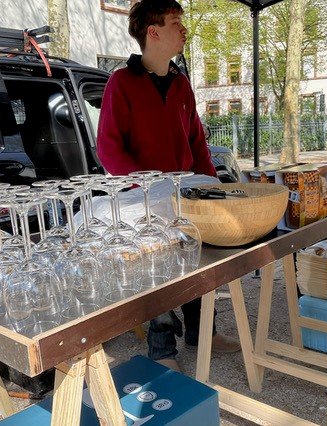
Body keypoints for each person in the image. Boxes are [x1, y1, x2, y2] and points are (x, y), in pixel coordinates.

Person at [96, 0, 240, 372]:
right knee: (156, 269)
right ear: (153, 32)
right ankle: (162, 350)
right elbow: (108, 147)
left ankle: (202, 333)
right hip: (142, 200)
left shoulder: (181, 83)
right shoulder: (121, 82)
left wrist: (212, 185)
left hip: (186, 193)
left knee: (197, 260)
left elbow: (196, 142)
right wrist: (147, 185)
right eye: (176, 22)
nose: (183, 29)